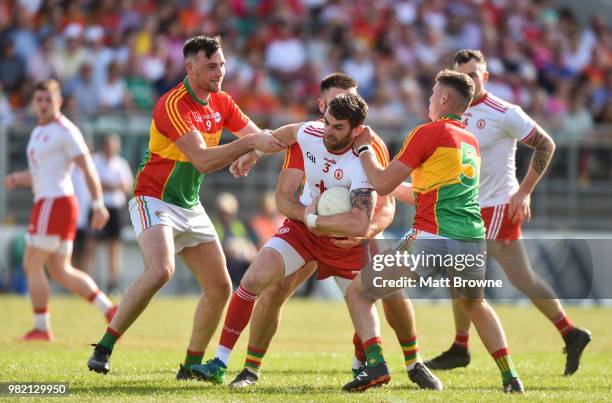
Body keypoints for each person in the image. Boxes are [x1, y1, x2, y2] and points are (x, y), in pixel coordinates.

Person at [190, 92, 442, 390]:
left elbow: (365, 219)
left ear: (357, 130)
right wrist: (254, 152)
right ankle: (227, 363)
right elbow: (279, 141)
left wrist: (331, 223)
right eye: (327, 122)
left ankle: (410, 363)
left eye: (337, 128)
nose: (328, 132)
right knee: (256, 279)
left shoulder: (367, 157)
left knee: (387, 291)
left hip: (348, 238)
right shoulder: (309, 132)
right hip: (304, 230)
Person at [86, 35, 285, 376]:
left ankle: (191, 365)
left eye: (222, 65)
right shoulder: (173, 103)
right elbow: (204, 161)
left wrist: (253, 150)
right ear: (189, 66)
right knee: (162, 269)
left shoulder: (222, 101)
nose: (219, 72)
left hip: (189, 205)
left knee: (221, 287)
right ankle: (104, 346)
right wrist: (249, 144)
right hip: (154, 198)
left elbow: (261, 136)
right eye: (211, 66)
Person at [342, 70, 524, 393]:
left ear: (443, 99)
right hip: (472, 241)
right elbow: (425, 192)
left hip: (431, 238)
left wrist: (364, 150)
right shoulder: (470, 141)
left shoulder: (427, 133)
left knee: (359, 292)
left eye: (431, 95)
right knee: (475, 305)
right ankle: (511, 378)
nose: (428, 101)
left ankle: (376, 365)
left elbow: (382, 181)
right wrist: (392, 190)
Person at [423, 49, 591, 376]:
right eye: (462, 75)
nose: (468, 80)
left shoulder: (503, 112)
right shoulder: (450, 113)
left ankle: (464, 348)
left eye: (474, 75)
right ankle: (569, 333)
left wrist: (524, 191)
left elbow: (546, 144)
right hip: (466, 208)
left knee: (474, 280)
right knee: (500, 279)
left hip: (495, 207)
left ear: (484, 77)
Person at [3, 79, 116, 341]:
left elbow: (87, 166)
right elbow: (40, 174)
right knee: (59, 270)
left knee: (31, 264)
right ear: (34, 102)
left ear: (59, 102)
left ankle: (42, 328)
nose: (43, 105)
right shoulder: (40, 130)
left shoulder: (65, 130)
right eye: (39, 99)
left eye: (48, 100)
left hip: (54, 203)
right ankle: (109, 309)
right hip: (54, 202)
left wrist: (99, 204)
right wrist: (17, 178)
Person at [90, 133, 133, 294]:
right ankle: (90, 284)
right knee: (91, 246)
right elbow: (95, 183)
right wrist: (114, 185)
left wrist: (108, 185)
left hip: (116, 209)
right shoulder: (95, 160)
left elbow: (127, 186)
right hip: (98, 206)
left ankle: (112, 284)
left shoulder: (121, 163)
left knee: (114, 248)